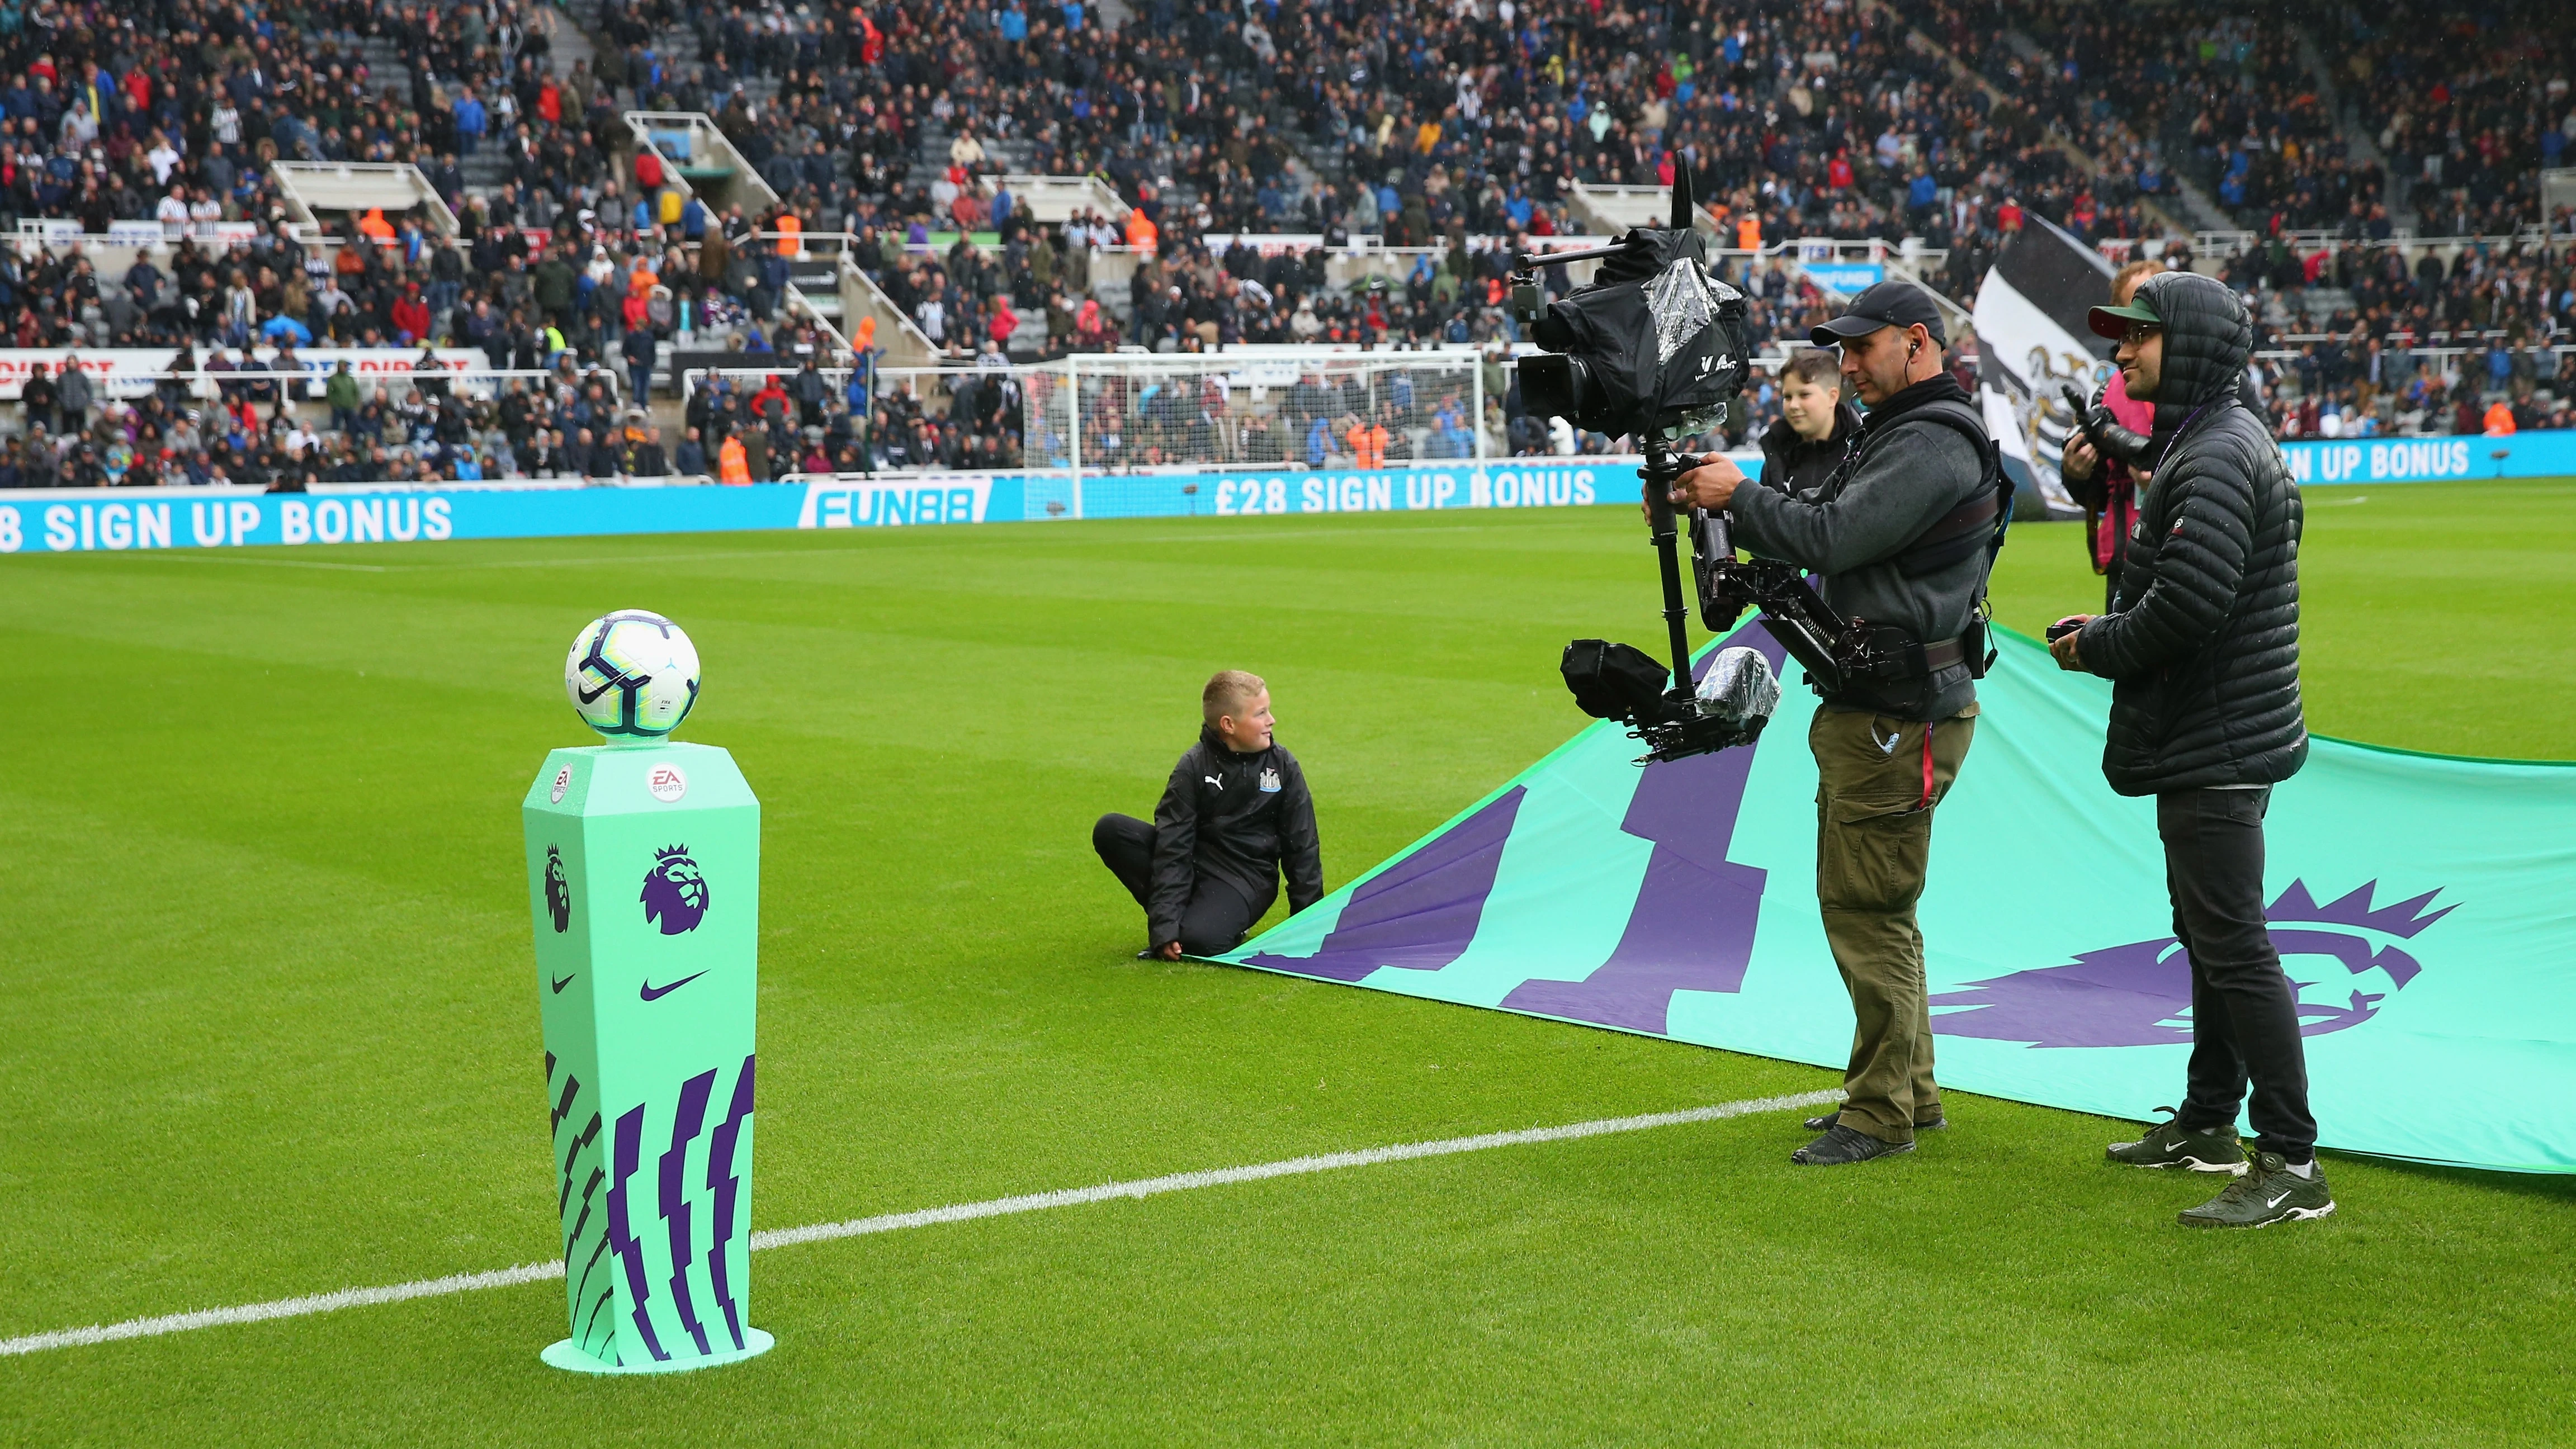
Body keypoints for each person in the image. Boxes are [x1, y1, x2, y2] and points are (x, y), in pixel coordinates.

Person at [1661, 281, 2004, 1167]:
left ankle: (1879, 1113)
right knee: (1878, 908)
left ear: (1917, 344)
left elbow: (1835, 536)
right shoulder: (1906, 433)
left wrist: (1735, 496)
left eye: (1861, 347)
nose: (1845, 364)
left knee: (1867, 912)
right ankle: (1909, 1093)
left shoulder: (1928, 440)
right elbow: (1823, 531)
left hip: (1899, 715)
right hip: (1888, 708)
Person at [2048, 271, 2330, 1229]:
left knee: (2233, 944)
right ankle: (2210, 1121)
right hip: (2220, 727)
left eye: (2141, 337)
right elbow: (2184, 582)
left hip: (2216, 733)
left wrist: (2098, 647)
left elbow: (2189, 607)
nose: (2122, 354)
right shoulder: (2212, 440)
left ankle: (2290, 1159)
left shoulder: (2214, 454)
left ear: (2196, 346)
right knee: (2211, 937)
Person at [1093, 670, 1323, 959]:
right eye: (1261, 713)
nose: (1271, 720)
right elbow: (1173, 846)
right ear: (1228, 724)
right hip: (1197, 865)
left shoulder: (1283, 766)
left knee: (1200, 942)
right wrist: (1164, 927)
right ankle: (1184, 922)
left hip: (1247, 878)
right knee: (1112, 830)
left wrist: (1309, 928)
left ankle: (1204, 925)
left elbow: (1302, 848)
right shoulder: (1192, 768)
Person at [2059, 259, 2164, 609]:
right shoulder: (2107, 394)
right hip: (2125, 568)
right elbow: (2096, 493)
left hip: (2187, 560)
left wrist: (2171, 480)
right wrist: (2076, 472)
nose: (2138, 325)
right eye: (2131, 311)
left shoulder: (2214, 387)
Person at [1759, 347, 1860, 497]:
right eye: (1787, 397)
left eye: (1804, 395)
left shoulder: (1863, 451)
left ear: (1832, 397)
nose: (1793, 405)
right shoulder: (1776, 450)